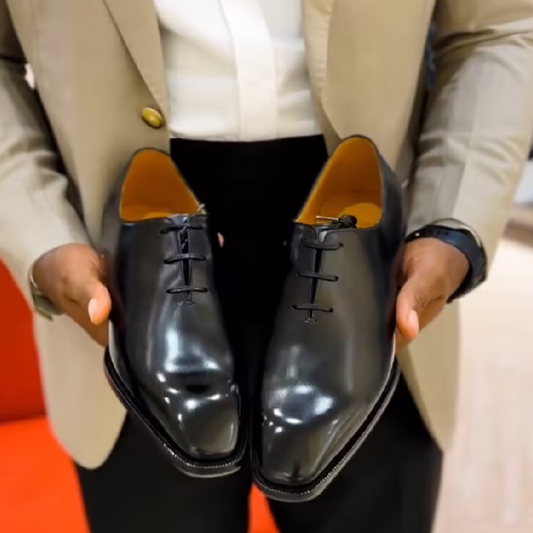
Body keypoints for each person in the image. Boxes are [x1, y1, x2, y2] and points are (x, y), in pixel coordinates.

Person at [1, 1, 532, 532]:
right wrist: (42, 232)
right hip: (129, 257)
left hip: (368, 253)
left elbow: (497, 28)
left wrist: (452, 221)